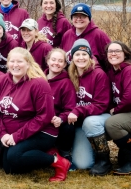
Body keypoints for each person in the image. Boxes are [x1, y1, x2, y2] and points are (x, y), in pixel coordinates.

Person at [0, 47, 70, 181]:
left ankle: (57, 160)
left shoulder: (38, 83)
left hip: (42, 132)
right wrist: (2, 134)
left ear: (28, 63)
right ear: (7, 63)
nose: (15, 65)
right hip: (14, 133)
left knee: (14, 157)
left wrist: (16, 136)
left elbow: (44, 116)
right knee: (9, 168)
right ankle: (38, 154)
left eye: (20, 62)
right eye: (12, 61)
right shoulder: (1, 81)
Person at [66, 39, 111, 175]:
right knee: (83, 163)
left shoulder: (99, 74)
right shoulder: (70, 73)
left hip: (98, 118)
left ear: (90, 56)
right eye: (77, 54)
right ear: (72, 57)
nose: (81, 58)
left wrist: (78, 110)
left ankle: (104, 161)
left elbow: (101, 105)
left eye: (84, 54)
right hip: (78, 122)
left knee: (90, 122)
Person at [104, 41, 131, 175]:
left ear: (125, 53)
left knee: (111, 124)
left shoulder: (128, 70)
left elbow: (129, 97)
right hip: (124, 112)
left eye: (117, 51)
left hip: (128, 110)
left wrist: (115, 110)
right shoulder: (111, 72)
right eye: (110, 51)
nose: (113, 53)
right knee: (122, 159)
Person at [45, 48, 76, 162]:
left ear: (64, 65)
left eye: (60, 61)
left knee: (69, 124)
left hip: (56, 122)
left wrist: (61, 118)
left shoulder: (66, 83)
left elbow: (70, 108)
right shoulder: (39, 79)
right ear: (48, 61)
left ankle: (65, 153)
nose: (56, 63)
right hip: (39, 120)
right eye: (53, 59)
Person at [61, 3, 111, 68]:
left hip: (92, 76)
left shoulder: (99, 35)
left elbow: (109, 60)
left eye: (83, 16)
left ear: (89, 19)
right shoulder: (67, 35)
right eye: (75, 16)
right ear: (72, 18)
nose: (79, 19)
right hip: (70, 76)